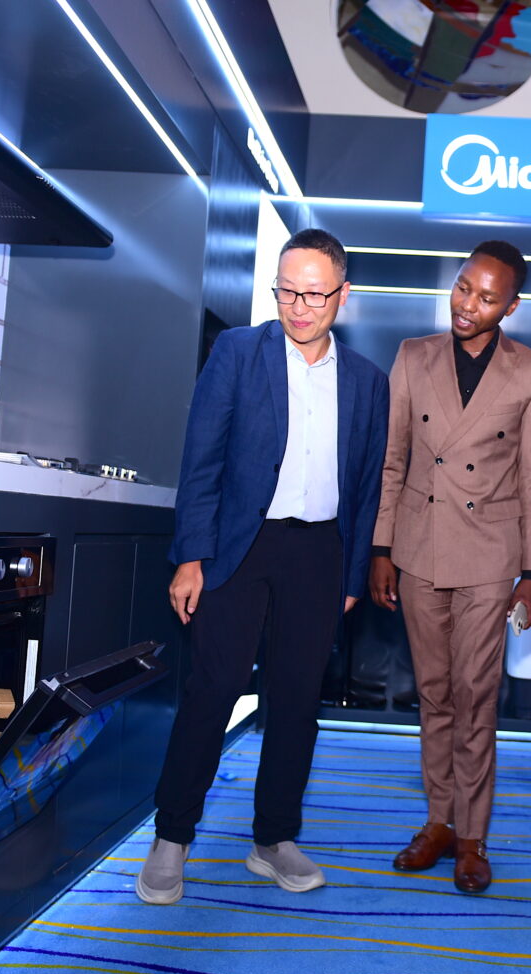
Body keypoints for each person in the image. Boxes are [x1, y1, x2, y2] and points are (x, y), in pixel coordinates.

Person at [136, 228, 389, 903]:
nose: (299, 307)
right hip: (238, 547)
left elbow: (368, 488)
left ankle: (274, 838)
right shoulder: (237, 352)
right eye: (287, 292)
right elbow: (202, 460)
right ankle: (171, 836)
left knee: (298, 700)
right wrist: (191, 557)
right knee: (214, 688)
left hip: (319, 554)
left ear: (343, 295)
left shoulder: (368, 382)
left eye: (314, 294)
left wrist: (351, 576)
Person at [369, 240, 531, 893]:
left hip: (488, 554)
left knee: (476, 695)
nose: (469, 305)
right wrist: (381, 549)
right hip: (418, 548)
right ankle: (439, 822)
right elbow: (393, 460)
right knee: (433, 692)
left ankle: (473, 837)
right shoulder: (412, 355)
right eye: (463, 288)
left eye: (487, 297)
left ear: (511, 306)